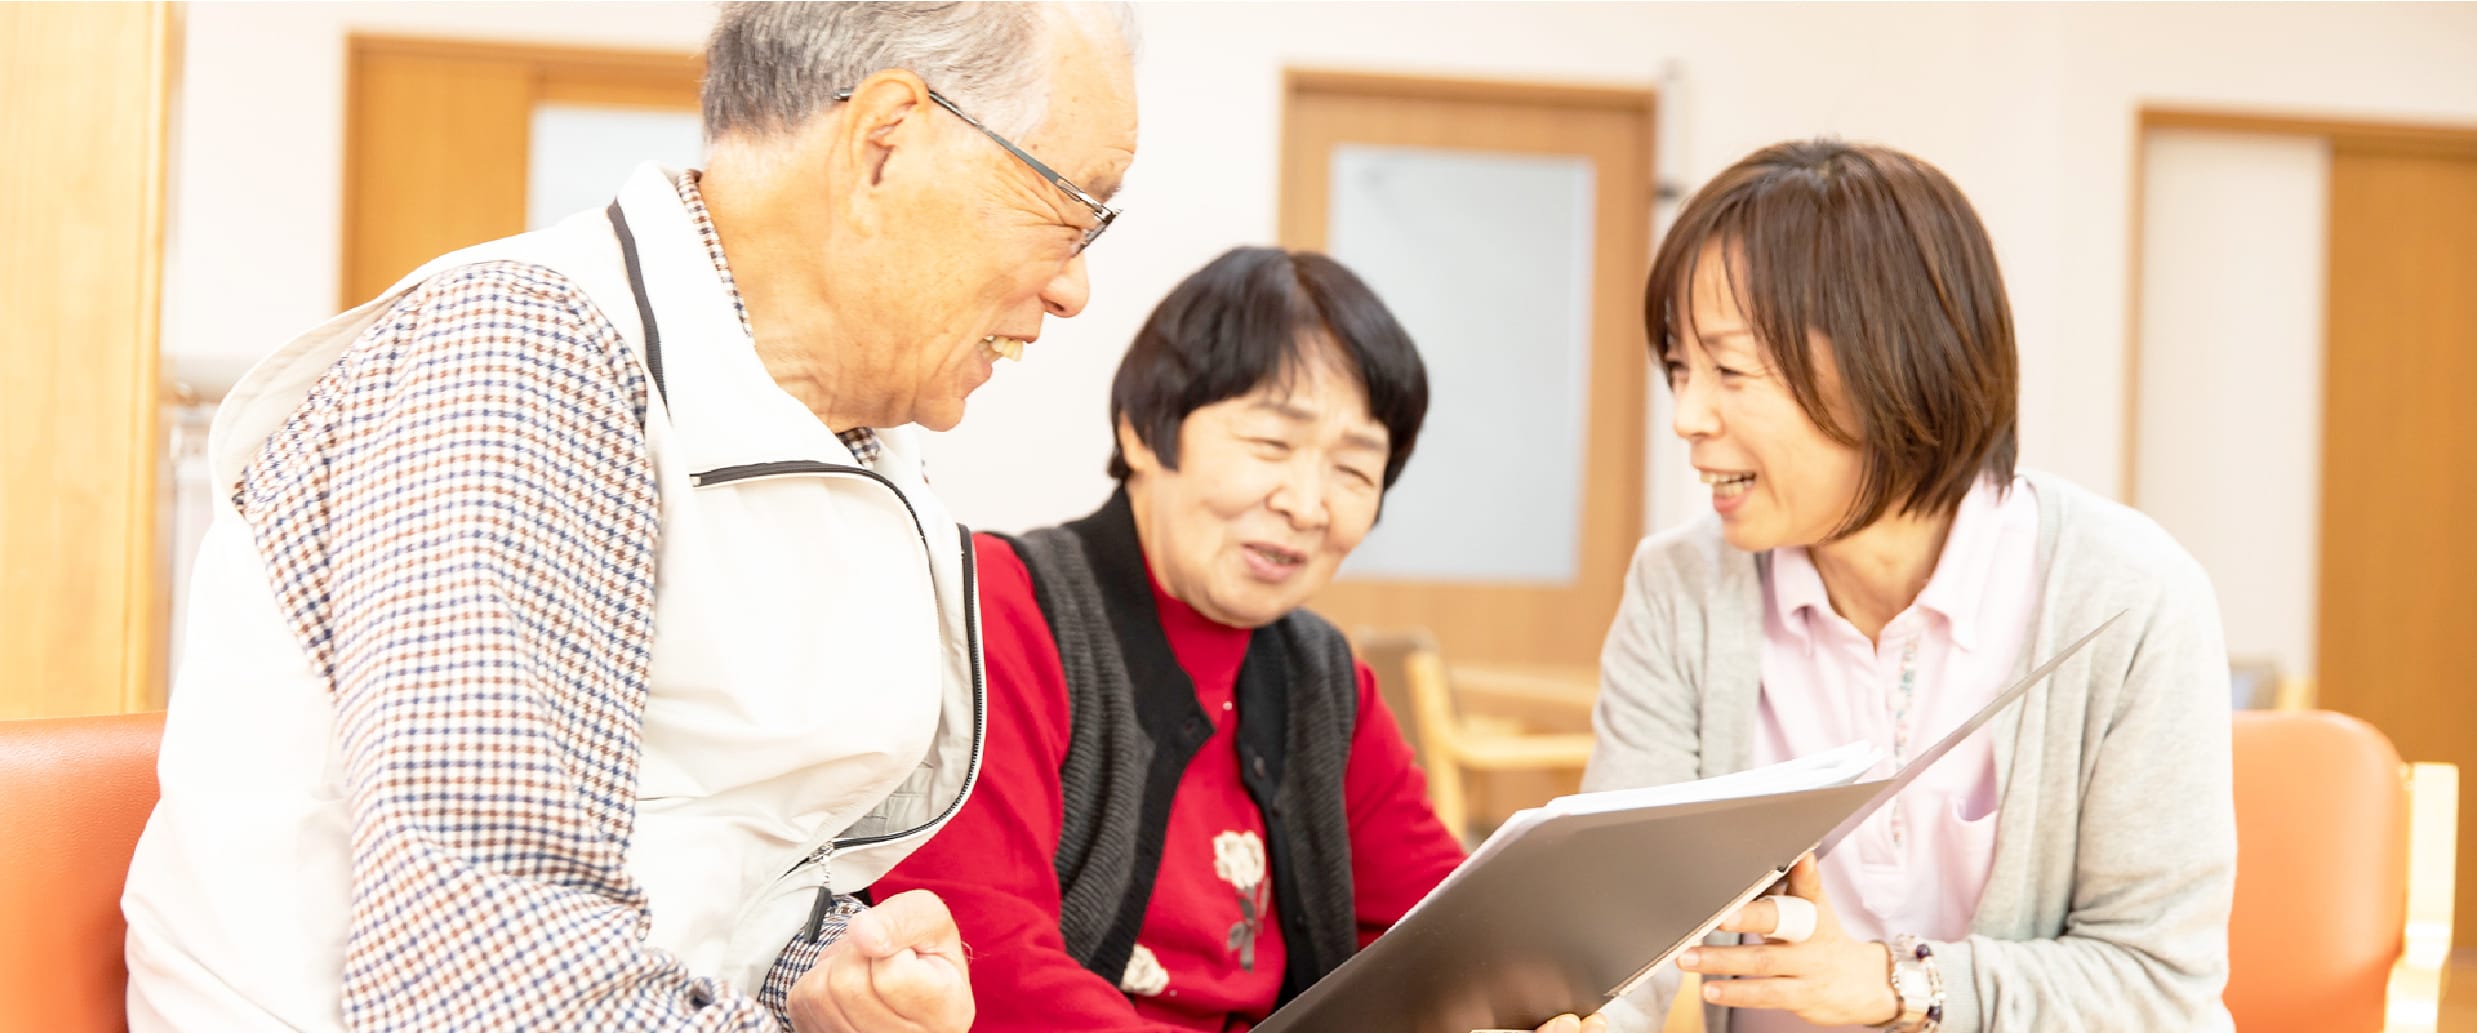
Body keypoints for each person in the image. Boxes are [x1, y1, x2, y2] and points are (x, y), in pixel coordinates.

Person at [119, 3, 1137, 1031]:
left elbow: (710, 869)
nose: (1075, 288)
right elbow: (478, 968)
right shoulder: (517, 362)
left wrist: (820, 980)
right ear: (883, 145)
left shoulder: (852, 439)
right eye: (1070, 210)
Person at [1586, 140, 2236, 1033]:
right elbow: (1620, 943)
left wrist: (1896, 984)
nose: (1687, 417)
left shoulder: (2127, 595)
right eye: (1678, 368)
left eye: (1730, 372)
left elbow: (2157, 985)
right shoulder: (1680, 590)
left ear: (1889, 364)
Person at [872, 247, 1603, 1033]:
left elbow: (1452, 934)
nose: (1306, 503)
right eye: (1270, 446)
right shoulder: (1003, 606)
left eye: (1355, 472)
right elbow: (980, 952)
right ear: (1146, 431)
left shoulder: (1326, 682)